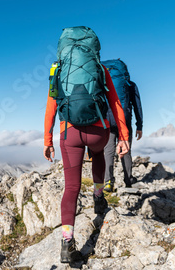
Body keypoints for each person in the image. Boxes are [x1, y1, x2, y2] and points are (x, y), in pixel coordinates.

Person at [43, 58, 130, 263]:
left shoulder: (58, 70)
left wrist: (47, 140)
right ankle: (98, 198)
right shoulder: (100, 69)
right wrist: (124, 136)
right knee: (98, 153)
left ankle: (67, 244)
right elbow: (115, 103)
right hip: (99, 132)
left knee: (72, 187)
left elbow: (51, 106)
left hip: (69, 132)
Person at [103, 79, 143, 191]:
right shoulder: (130, 85)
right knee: (126, 151)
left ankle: (108, 182)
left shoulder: (105, 83)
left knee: (108, 151)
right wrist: (139, 125)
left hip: (108, 121)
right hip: (124, 122)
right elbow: (137, 105)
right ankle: (128, 180)